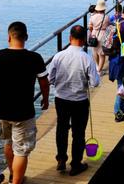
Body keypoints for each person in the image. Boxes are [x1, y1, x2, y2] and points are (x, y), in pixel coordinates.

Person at [0, 22, 50, 184]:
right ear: (26, 37)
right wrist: (46, 99)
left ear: (8, 37)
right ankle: (16, 182)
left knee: (8, 143)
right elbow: (44, 83)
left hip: (2, 111)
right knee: (22, 150)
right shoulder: (34, 58)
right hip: (24, 112)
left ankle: (13, 174)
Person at [48, 25, 100, 176]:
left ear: (70, 38)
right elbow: (95, 83)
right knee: (78, 133)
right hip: (80, 100)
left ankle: (61, 159)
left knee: (61, 129)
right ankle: (76, 164)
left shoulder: (58, 56)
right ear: (84, 40)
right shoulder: (87, 58)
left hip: (61, 99)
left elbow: (50, 78)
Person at [89, 0, 110, 74]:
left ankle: (97, 66)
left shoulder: (92, 17)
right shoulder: (106, 17)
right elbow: (108, 26)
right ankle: (99, 70)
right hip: (103, 34)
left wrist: (92, 32)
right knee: (102, 53)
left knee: (95, 52)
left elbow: (90, 26)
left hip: (94, 33)